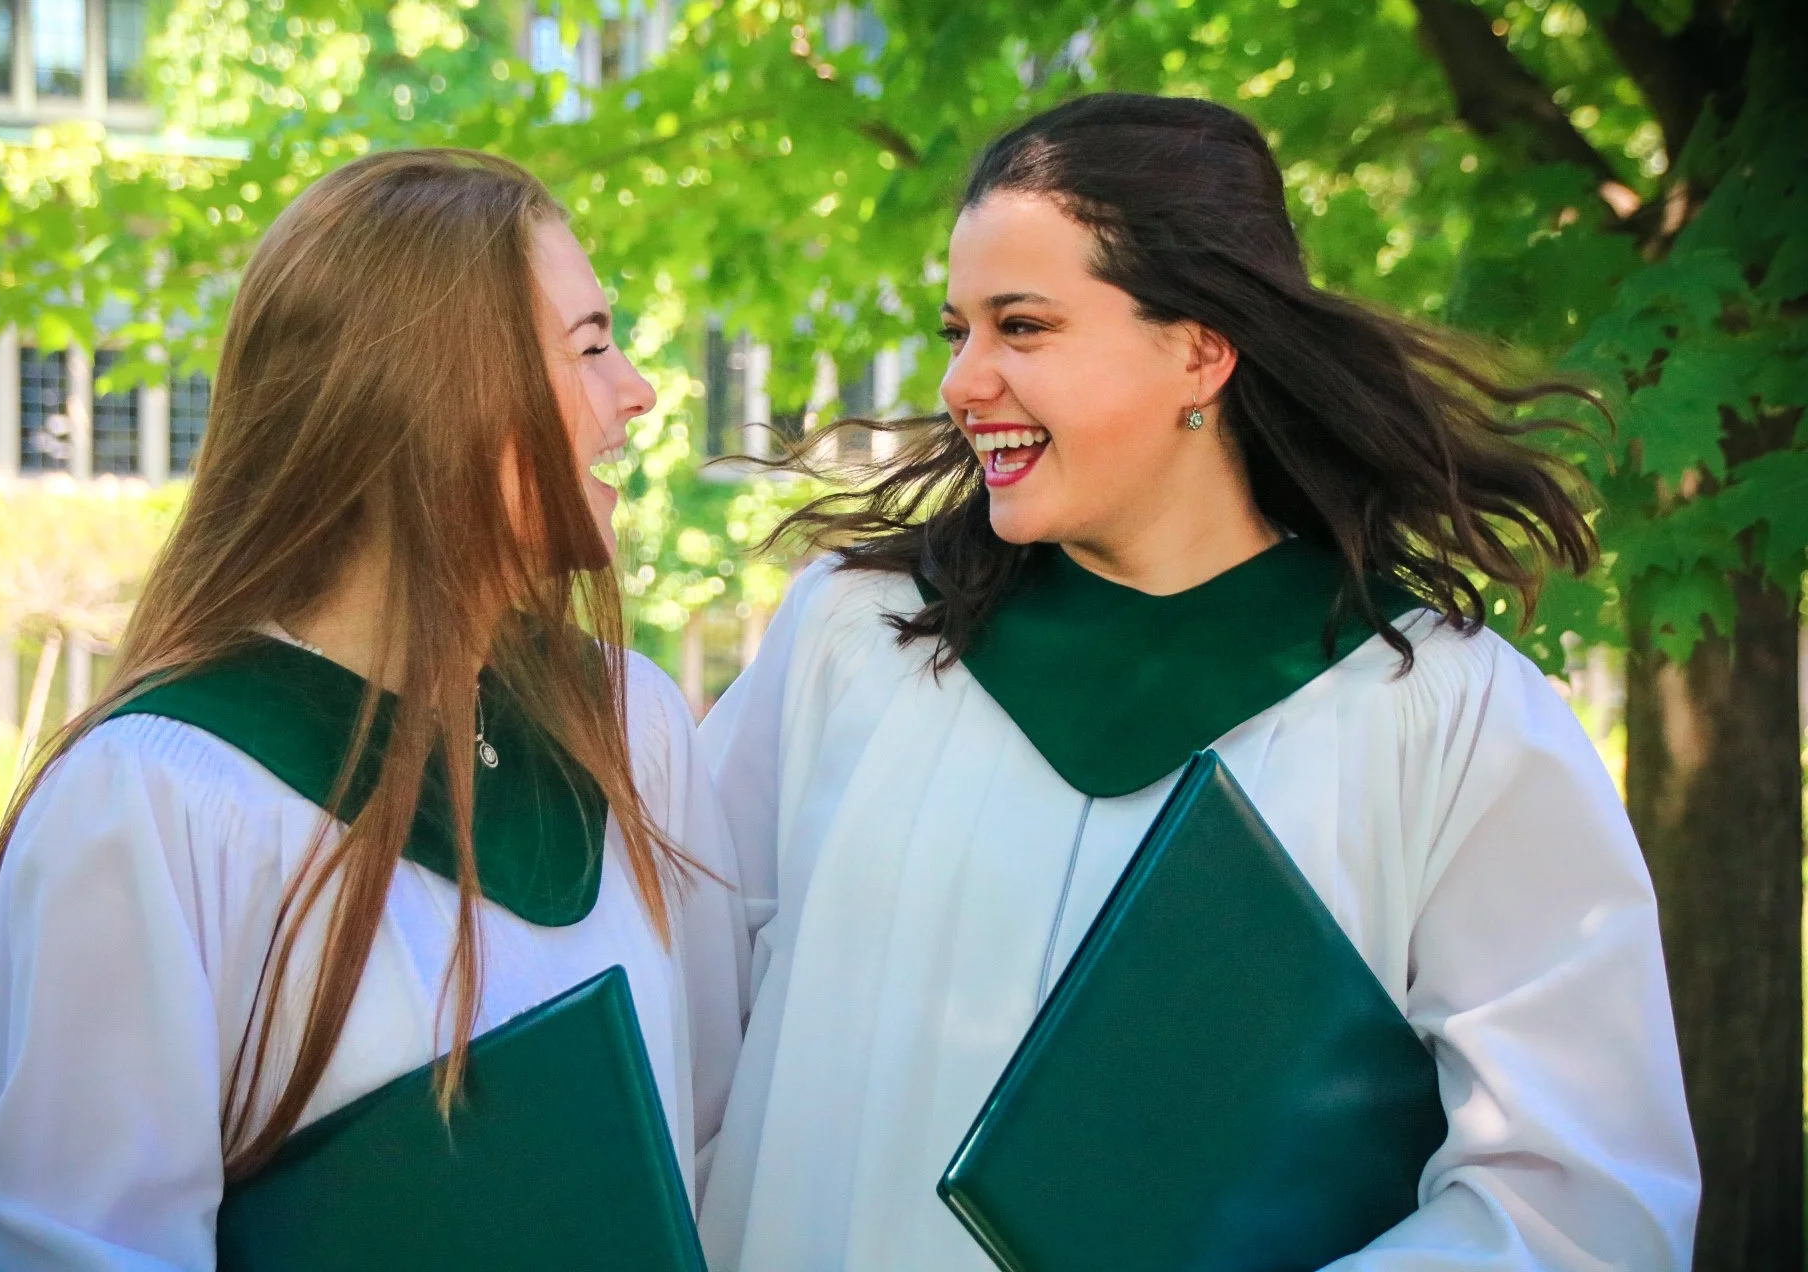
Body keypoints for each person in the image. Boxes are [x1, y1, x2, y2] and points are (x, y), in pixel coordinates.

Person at [697, 94, 1699, 1270]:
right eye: (955, 328)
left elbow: (1576, 1204)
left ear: (1200, 348)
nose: (965, 380)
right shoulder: (857, 642)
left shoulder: (1437, 718)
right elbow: (685, 1035)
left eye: (1022, 326)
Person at [0, 148, 747, 1269]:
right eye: (591, 346)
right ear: (437, 394)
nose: (636, 390)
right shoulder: (160, 796)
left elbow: (706, 1142)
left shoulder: (632, 725)